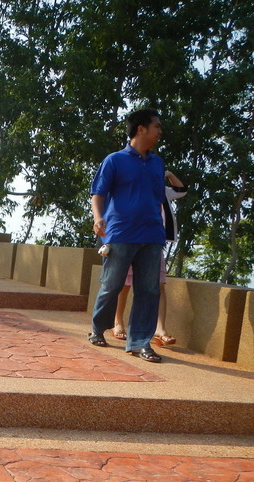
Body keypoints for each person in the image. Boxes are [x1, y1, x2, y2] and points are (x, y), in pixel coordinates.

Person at [88, 108, 167, 363]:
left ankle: (140, 343)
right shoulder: (114, 160)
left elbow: (158, 198)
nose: (160, 131)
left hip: (152, 234)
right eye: (156, 126)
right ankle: (98, 328)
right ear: (141, 129)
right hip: (120, 232)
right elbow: (98, 193)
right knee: (112, 285)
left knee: (149, 290)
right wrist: (98, 218)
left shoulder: (157, 163)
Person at [113, 170, 187, 345]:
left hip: (154, 242)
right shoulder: (132, 189)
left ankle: (160, 329)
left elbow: (181, 190)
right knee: (125, 284)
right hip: (131, 240)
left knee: (159, 285)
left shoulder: (163, 192)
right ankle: (118, 323)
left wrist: (168, 174)